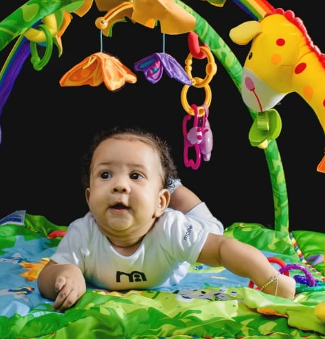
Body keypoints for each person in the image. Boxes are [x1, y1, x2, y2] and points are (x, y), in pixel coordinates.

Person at [37, 126, 295, 311]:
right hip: (157, 205)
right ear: (89, 198)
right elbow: (47, 275)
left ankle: (172, 186)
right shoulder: (83, 233)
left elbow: (222, 248)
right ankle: (157, 183)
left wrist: (270, 279)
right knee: (152, 190)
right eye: (106, 175)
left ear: (161, 204)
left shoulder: (172, 228)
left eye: (135, 175)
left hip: (192, 225)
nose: (119, 185)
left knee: (212, 228)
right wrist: (67, 274)